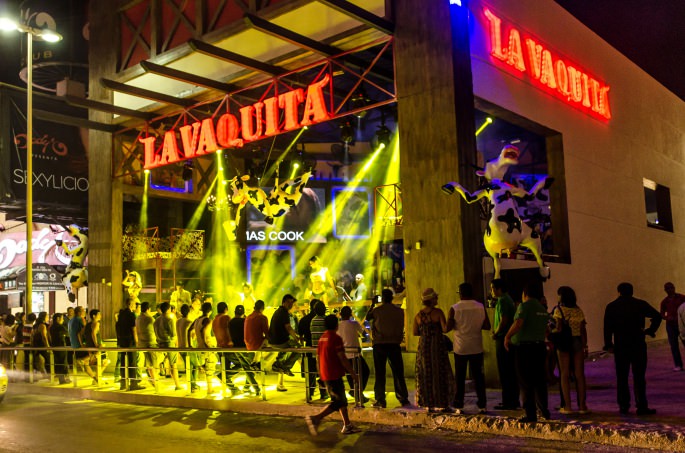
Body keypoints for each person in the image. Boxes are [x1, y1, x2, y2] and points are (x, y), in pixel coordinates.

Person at [604, 282, 661, 415]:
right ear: (632, 291)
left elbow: (607, 328)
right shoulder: (640, 304)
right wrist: (650, 330)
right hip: (638, 343)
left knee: (622, 376)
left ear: (619, 292)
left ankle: (624, 405)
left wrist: (608, 344)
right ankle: (641, 405)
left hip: (621, 344)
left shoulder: (612, 306)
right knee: (639, 376)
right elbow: (657, 316)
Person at [305, 315, 361, 436]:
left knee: (342, 401)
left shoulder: (322, 338)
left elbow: (318, 358)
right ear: (337, 325)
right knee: (339, 401)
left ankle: (347, 425)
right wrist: (353, 374)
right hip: (334, 374)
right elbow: (342, 358)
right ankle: (316, 418)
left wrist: (320, 374)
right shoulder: (335, 338)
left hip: (326, 374)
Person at [504, 284, 550, 424]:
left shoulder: (524, 307)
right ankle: (544, 411)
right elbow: (546, 329)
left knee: (525, 381)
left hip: (525, 349)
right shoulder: (542, 309)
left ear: (525, 294)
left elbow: (518, 323)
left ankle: (530, 414)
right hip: (540, 347)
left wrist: (507, 337)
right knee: (540, 380)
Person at [447, 283, 490, 414]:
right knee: (479, 377)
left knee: (459, 378)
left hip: (460, 347)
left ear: (460, 293)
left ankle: (459, 404)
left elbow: (447, 328)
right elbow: (487, 325)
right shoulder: (480, 307)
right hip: (476, 346)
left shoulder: (454, 308)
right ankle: (482, 404)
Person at [366, 288, 410, 408]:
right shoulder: (399, 311)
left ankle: (380, 399)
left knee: (380, 373)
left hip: (380, 344)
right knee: (398, 372)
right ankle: (403, 398)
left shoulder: (377, 310)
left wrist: (372, 304)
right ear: (392, 298)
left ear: (383, 298)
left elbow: (367, 318)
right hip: (395, 344)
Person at [413, 288, 454, 412]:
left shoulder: (418, 315)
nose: (437, 299)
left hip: (424, 347)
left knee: (425, 374)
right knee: (439, 373)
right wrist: (452, 319)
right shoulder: (438, 312)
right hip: (437, 346)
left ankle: (428, 404)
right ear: (432, 300)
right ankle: (442, 403)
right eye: (435, 297)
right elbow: (445, 329)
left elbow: (415, 332)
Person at [552, 286, 589, 414]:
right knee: (579, 375)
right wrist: (585, 346)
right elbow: (583, 330)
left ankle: (567, 406)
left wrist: (550, 332)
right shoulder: (578, 311)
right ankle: (582, 406)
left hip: (564, 343)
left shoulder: (559, 310)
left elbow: (558, 328)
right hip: (577, 341)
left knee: (564, 374)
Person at [490, 278, 520, 410]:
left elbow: (504, 320)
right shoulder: (508, 299)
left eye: (492, 288)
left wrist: (496, 333)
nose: (491, 291)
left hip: (503, 338)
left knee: (505, 371)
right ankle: (511, 399)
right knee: (510, 371)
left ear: (499, 289)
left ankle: (509, 401)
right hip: (508, 338)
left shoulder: (502, 300)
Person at [268, 294, 302, 391]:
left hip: (275, 341)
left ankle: (280, 366)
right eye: (289, 302)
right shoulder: (284, 313)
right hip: (280, 342)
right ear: (284, 302)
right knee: (299, 348)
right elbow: (288, 327)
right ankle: (285, 367)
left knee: (285, 354)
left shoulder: (279, 312)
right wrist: (296, 338)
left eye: (292, 303)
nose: (291, 305)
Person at [229, 305, 260, 395]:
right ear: (243, 313)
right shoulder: (244, 321)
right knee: (249, 368)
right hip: (246, 347)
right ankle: (255, 388)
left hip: (236, 348)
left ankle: (249, 387)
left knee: (247, 368)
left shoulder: (230, 322)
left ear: (234, 312)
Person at [189, 301, 218, 395]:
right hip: (206, 347)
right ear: (210, 311)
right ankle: (209, 389)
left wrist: (190, 344)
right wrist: (207, 345)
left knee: (206, 368)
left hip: (199, 347)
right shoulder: (208, 320)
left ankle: (210, 388)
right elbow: (204, 331)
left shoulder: (197, 319)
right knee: (210, 368)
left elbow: (189, 330)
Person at [116, 297, 144, 391]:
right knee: (132, 363)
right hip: (130, 341)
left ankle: (123, 383)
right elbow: (134, 329)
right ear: (131, 304)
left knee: (123, 363)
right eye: (135, 304)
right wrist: (137, 341)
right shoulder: (131, 315)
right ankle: (133, 383)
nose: (135, 306)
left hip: (122, 341)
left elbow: (118, 327)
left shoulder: (121, 314)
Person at [212, 301, 239, 393]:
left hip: (219, 347)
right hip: (228, 346)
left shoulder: (214, 320)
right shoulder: (226, 317)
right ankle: (222, 376)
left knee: (225, 369)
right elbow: (230, 330)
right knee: (242, 364)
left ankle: (233, 389)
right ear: (225, 309)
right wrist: (232, 341)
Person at [154, 302, 181, 390]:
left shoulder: (157, 320)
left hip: (159, 343)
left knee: (158, 364)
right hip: (169, 343)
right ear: (169, 309)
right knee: (173, 364)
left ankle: (156, 383)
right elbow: (173, 333)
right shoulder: (170, 319)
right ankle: (177, 385)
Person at [659, 282, 685, 371]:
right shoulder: (664, 302)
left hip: (682, 325)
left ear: (674, 288)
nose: (670, 289)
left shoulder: (682, 298)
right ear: (665, 290)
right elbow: (662, 313)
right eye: (668, 288)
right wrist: (666, 317)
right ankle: (678, 365)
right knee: (674, 346)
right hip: (671, 326)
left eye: (671, 287)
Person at [176, 304, 198, 392]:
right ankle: (193, 385)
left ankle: (192, 384)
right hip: (188, 347)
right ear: (189, 312)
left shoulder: (178, 321)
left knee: (188, 366)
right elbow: (193, 337)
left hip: (180, 347)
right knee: (195, 365)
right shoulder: (189, 322)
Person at [136, 302, 159, 387]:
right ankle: (154, 381)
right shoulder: (150, 318)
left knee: (149, 363)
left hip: (141, 343)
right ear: (148, 309)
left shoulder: (138, 318)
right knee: (154, 363)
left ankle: (153, 380)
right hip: (150, 343)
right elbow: (156, 330)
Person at [84, 309, 110, 381]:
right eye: (99, 314)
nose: (100, 316)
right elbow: (93, 334)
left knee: (98, 363)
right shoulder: (96, 323)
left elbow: (83, 334)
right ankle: (97, 378)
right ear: (94, 316)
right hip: (96, 346)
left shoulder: (88, 325)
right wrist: (96, 345)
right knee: (105, 361)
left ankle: (97, 378)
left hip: (90, 346)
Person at [49, 313, 70, 384]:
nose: (63, 320)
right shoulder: (60, 327)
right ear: (58, 318)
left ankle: (62, 378)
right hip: (61, 346)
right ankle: (63, 379)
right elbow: (67, 333)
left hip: (54, 346)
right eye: (62, 318)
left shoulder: (52, 327)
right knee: (63, 362)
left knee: (58, 363)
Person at [31, 312, 51, 380]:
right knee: (48, 360)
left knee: (39, 361)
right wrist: (47, 346)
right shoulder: (42, 325)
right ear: (44, 317)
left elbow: (32, 336)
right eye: (47, 316)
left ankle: (44, 375)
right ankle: (49, 376)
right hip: (42, 345)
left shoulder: (35, 325)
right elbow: (44, 337)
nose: (48, 317)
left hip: (36, 345)